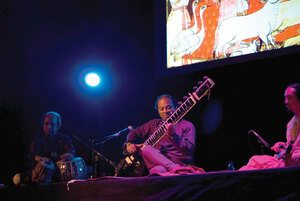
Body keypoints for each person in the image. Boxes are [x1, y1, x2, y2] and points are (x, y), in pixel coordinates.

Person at [124, 94, 196, 175]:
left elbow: (189, 150)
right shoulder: (154, 124)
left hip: (179, 162)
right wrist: (129, 144)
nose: (165, 111)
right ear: (158, 110)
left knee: (157, 172)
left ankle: (175, 170)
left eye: (169, 107)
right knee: (147, 150)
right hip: (160, 164)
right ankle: (175, 169)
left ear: (176, 107)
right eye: (161, 109)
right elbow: (134, 132)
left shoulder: (187, 125)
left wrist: (173, 136)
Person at [240, 83, 300, 170]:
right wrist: (282, 145)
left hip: (296, 158)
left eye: (289, 97)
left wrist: (288, 151)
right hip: (288, 157)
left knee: (293, 158)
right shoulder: (290, 123)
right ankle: (233, 175)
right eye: (285, 98)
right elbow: (291, 145)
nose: (286, 101)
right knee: (255, 159)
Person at [13, 111, 76, 185]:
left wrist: (69, 154)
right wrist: (37, 157)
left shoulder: (64, 139)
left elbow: (71, 151)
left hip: (59, 175)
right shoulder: (36, 139)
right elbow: (30, 155)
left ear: (58, 126)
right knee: (17, 179)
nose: (49, 127)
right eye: (46, 124)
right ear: (42, 125)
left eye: (52, 124)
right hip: (40, 177)